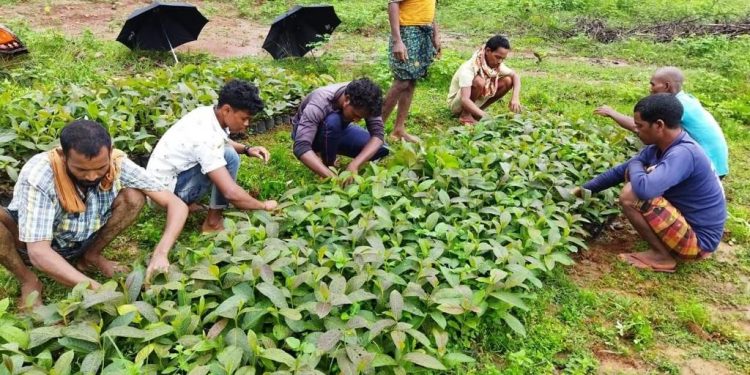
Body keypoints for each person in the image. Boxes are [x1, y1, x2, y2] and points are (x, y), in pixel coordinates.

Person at [0, 120, 188, 308]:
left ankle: (91, 255)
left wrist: (161, 253)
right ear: (63, 156)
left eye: (100, 168)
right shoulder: (40, 174)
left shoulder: (116, 162)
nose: (92, 176)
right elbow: (39, 252)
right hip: (31, 242)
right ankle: (28, 280)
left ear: (110, 152)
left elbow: (176, 205)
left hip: (83, 236)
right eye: (81, 169)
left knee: (134, 197)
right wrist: (97, 290)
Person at [575, 94, 726, 273]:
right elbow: (618, 172)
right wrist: (581, 190)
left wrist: (634, 164)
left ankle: (662, 257)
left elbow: (645, 190)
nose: (636, 130)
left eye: (640, 126)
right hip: (690, 228)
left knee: (631, 193)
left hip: (699, 243)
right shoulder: (660, 147)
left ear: (659, 125)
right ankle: (665, 248)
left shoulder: (683, 153)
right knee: (636, 176)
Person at [147, 79, 278, 233]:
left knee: (228, 152)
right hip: (162, 197)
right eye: (244, 118)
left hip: (161, 185)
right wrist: (263, 206)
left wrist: (247, 149)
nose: (247, 124)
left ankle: (187, 202)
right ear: (227, 110)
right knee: (229, 157)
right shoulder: (205, 136)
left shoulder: (208, 114)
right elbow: (230, 192)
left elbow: (222, 141)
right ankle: (212, 223)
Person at [594, 66, 729, 177]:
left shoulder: (677, 106)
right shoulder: (686, 99)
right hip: (716, 161)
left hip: (709, 165)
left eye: (653, 84)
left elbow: (639, 127)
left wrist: (612, 113)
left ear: (666, 86)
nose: (650, 88)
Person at [292, 78, 389, 178]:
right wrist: (332, 177)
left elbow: (378, 136)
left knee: (382, 148)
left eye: (361, 118)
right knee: (333, 122)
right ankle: (327, 164)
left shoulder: (368, 101)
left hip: (339, 129)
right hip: (311, 133)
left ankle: (331, 147)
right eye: (355, 115)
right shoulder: (319, 102)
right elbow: (301, 146)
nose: (356, 121)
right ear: (347, 99)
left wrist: (355, 165)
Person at [381, 0, 440, 142]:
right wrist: (397, 41)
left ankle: (399, 129)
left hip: (424, 31)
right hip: (407, 32)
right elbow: (393, 4)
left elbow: (429, 10)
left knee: (412, 80)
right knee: (402, 81)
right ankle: (376, 130)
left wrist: (436, 35)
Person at [447, 35, 522, 124]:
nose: (499, 61)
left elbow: (515, 76)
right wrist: (488, 117)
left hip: (472, 102)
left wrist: (515, 98)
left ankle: (477, 112)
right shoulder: (470, 67)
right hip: (458, 105)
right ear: (487, 51)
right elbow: (464, 99)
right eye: (497, 57)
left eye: (503, 58)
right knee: (479, 81)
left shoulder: (495, 64)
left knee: (508, 81)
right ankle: (465, 116)